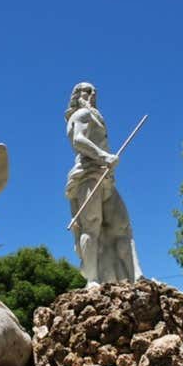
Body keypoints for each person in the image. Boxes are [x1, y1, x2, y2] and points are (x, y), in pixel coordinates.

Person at [65, 82, 142, 287]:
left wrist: (105, 160)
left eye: (94, 92)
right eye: (87, 91)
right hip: (88, 175)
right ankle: (92, 279)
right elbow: (78, 140)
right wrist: (103, 156)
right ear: (77, 95)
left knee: (122, 225)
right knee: (91, 226)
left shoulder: (96, 116)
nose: (92, 94)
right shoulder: (81, 115)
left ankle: (136, 276)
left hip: (105, 176)